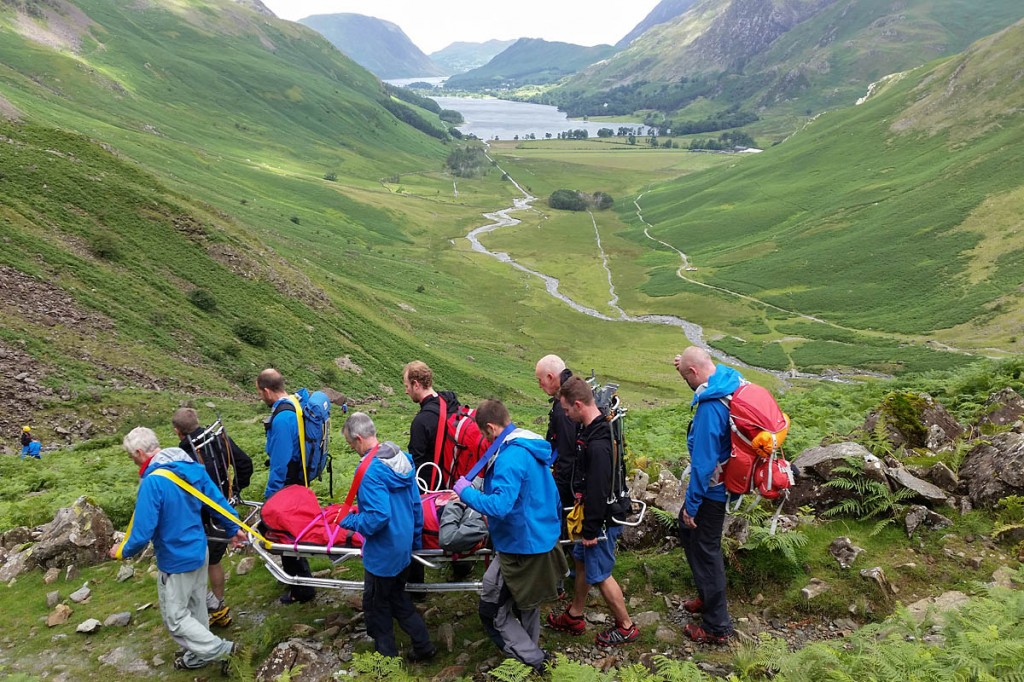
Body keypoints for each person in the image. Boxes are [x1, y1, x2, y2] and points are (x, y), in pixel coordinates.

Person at [110, 427, 245, 671]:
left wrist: (121, 551)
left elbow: (141, 533)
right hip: (198, 549)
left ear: (140, 453)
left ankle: (225, 651)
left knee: (176, 618)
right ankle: (198, 656)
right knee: (195, 608)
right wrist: (233, 526)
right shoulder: (188, 465)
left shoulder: (153, 482)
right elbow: (216, 499)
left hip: (176, 558)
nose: (132, 462)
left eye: (132, 457)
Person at [452, 399, 566, 671]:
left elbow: (500, 506)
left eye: (483, 433)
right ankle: (532, 654)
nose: (483, 438)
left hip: (520, 546)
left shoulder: (509, 457)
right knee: (528, 602)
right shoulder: (529, 446)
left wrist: (466, 492)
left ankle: (533, 660)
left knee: (491, 612)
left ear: (490, 428)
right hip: (539, 538)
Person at [548, 376, 639, 646]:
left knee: (600, 573)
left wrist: (590, 529)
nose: (564, 414)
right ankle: (575, 614)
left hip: (600, 519)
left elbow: (598, 489)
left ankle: (626, 626)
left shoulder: (598, 443)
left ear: (578, 405)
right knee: (581, 560)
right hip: (595, 514)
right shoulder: (594, 430)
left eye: (566, 410)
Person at [338, 412, 436, 661]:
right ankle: (423, 647)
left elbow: (377, 518)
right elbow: (416, 504)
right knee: (398, 598)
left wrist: (348, 521)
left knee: (376, 606)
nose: (353, 450)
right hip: (402, 547)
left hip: (383, 555)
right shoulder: (400, 457)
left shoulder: (369, 471)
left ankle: (385, 660)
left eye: (351, 445)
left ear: (359, 439)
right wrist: (414, 542)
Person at [673, 346, 739, 645]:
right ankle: (706, 597)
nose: (686, 380)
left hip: (712, 490)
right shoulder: (727, 378)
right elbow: (696, 366)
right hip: (725, 483)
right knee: (689, 535)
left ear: (695, 373)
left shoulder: (710, 408)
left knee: (706, 550)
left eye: (686, 375)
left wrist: (692, 505)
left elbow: (703, 464)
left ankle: (717, 627)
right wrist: (684, 364)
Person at [172, 407, 254, 628]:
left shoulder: (183, 456)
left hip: (197, 519)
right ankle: (219, 606)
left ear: (178, 431)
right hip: (222, 513)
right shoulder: (218, 439)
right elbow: (244, 463)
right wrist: (234, 491)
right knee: (214, 562)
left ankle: (206, 612)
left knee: (196, 567)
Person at [402, 360, 467, 588]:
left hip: (432, 483)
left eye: (407, 385)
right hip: (456, 477)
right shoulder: (449, 402)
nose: (406, 390)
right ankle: (462, 563)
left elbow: (417, 465)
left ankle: (416, 585)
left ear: (416, 384)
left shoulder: (421, 421)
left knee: (414, 526)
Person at [257, 368, 316, 604]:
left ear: (267, 390)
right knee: (292, 530)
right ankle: (299, 580)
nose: (261, 397)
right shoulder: (295, 402)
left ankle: (301, 587)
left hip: (287, 481)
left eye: (260, 392)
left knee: (283, 532)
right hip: (298, 476)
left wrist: (270, 497)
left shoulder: (282, 418)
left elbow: (279, 463)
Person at [534, 355, 577, 509]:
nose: (540, 385)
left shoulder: (564, 408)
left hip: (569, 488)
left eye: (540, 380)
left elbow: (567, 455)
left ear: (551, 377)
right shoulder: (573, 390)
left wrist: (558, 496)